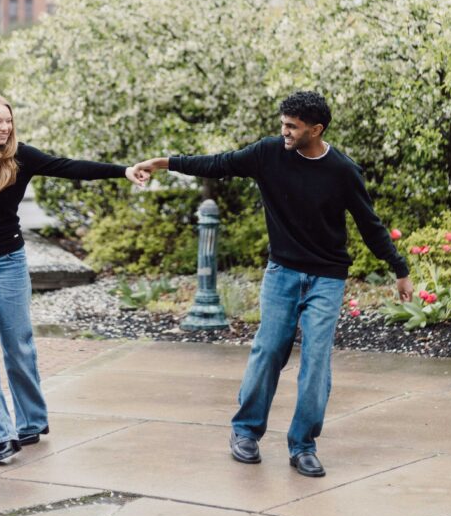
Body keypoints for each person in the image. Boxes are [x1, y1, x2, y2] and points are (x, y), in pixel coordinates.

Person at [133, 90, 412, 477]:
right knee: (268, 351)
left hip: (327, 278)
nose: (284, 131)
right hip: (282, 273)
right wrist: (162, 162)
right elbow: (217, 163)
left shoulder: (343, 171)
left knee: (316, 363)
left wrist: (399, 269)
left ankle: (303, 445)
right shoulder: (268, 153)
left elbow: (370, 224)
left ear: (316, 129)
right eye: (282, 123)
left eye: (292, 126)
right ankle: (245, 432)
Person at [0, 91, 147, 465]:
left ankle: (32, 420)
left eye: (8, 120)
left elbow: (69, 166)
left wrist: (121, 171)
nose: (5, 127)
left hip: (8, 261)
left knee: (18, 345)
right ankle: (2, 434)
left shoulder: (21, 157)